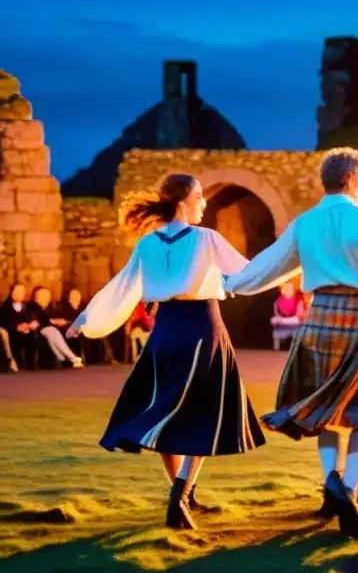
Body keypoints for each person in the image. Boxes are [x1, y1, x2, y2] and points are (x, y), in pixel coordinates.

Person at [224, 148, 358, 539]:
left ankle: (331, 481)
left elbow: (270, 265)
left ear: (323, 181)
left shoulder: (304, 223)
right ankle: (349, 489)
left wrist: (231, 285)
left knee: (326, 405)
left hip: (322, 314)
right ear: (355, 179)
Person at [68, 173, 265, 530]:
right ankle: (181, 492)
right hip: (203, 328)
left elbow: (122, 286)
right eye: (200, 196)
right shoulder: (207, 238)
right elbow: (250, 274)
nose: (205, 203)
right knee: (204, 412)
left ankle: (180, 492)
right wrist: (297, 266)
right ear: (184, 202)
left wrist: (86, 318)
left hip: (166, 332)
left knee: (166, 411)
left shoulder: (148, 244)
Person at [27, 287, 84, 368]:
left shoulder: (51, 309)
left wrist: (62, 322)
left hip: (52, 330)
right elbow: (40, 320)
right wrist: (52, 321)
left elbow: (61, 319)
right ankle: (72, 357)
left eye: (47, 296)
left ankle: (62, 358)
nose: (45, 298)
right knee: (51, 331)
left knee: (53, 336)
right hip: (38, 331)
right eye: (42, 295)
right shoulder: (31, 307)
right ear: (36, 296)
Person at [1, 283, 41, 369]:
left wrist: (31, 325)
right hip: (12, 333)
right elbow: (3, 323)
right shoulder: (5, 308)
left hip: (28, 333)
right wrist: (17, 327)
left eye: (22, 291)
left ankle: (31, 366)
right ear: (12, 293)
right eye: (17, 291)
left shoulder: (28, 307)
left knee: (31, 338)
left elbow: (34, 319)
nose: (19, 294)